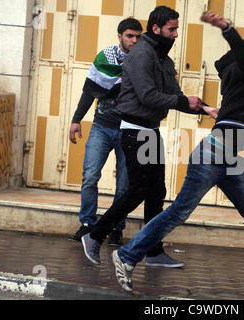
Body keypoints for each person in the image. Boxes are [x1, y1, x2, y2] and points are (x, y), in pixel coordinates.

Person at [106, 11, 244, 300]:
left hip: (232, 157)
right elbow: (240, 54)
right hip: (213, 153)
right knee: (179, 211)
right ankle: (126, 255)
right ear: (243, 55)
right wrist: (227, 28)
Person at [81, 6, 218, 268]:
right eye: (172, 29)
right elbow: (148, 96)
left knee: (157, 192)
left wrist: (204, 107)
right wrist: (182, 100)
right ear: (156, 29)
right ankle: (95, 234)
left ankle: (153, 252)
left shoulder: (163, 58)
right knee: (138, 190)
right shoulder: (142, 54)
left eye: (176, 28)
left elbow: (176, 93)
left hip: (151, 131)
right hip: (134, 131)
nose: (176, 34)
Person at [68, 18, 143, 246]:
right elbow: (90, 90)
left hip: (130, 130)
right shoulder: (105, 58)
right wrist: (76, 120)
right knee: (90, 176)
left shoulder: (143, 60)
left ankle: (115, 227)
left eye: (138, 36)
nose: (134, 40)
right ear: (120, 36)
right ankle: (88, 224)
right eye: (130, 36)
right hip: (102, 126)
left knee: (124, 184)